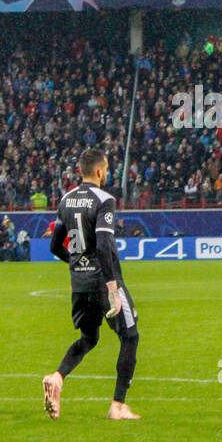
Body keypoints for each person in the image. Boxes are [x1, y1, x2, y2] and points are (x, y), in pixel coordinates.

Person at [42, 148, 140, 421]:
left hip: (80, 283)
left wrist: (76, 263)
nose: (107, 173)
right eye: (106, 169)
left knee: (89, 338)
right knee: (130, 336)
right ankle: (118, 406)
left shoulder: (66, 200)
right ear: (99, 171)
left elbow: (54, 246)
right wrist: (112, 288)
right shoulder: (104, 200)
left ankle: (57, 377)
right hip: (103, 281)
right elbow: (105, 243)